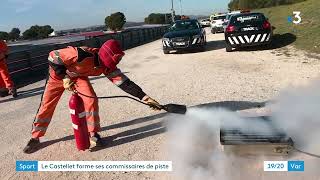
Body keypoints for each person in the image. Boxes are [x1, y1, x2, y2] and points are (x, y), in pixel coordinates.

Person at [23, 39, 161, 154]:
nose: (110, 67)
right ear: (105, 56)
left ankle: (93, 134)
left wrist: (145, 98)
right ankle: (35, 137)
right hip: (57, 77)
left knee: (91, 99)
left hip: (78, 77)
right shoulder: (80, 54)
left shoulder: (106, 66)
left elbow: (124, 83)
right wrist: (64, 77)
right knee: (47, 106)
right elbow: (53, 56)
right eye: (112, 61)